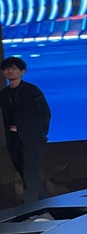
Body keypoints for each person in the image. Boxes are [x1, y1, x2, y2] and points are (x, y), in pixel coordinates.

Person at [0, 57, 51, 203]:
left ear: (22, 71)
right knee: (25, 175)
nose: (10, 71)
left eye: (14, 68)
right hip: (14, 140)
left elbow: (45, 114)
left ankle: (30, 209)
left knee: (30, 175)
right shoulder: (3, 94)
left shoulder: (32, 90)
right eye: (7, 69)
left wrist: (41, 133)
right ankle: (44, 205)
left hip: (32, 139)